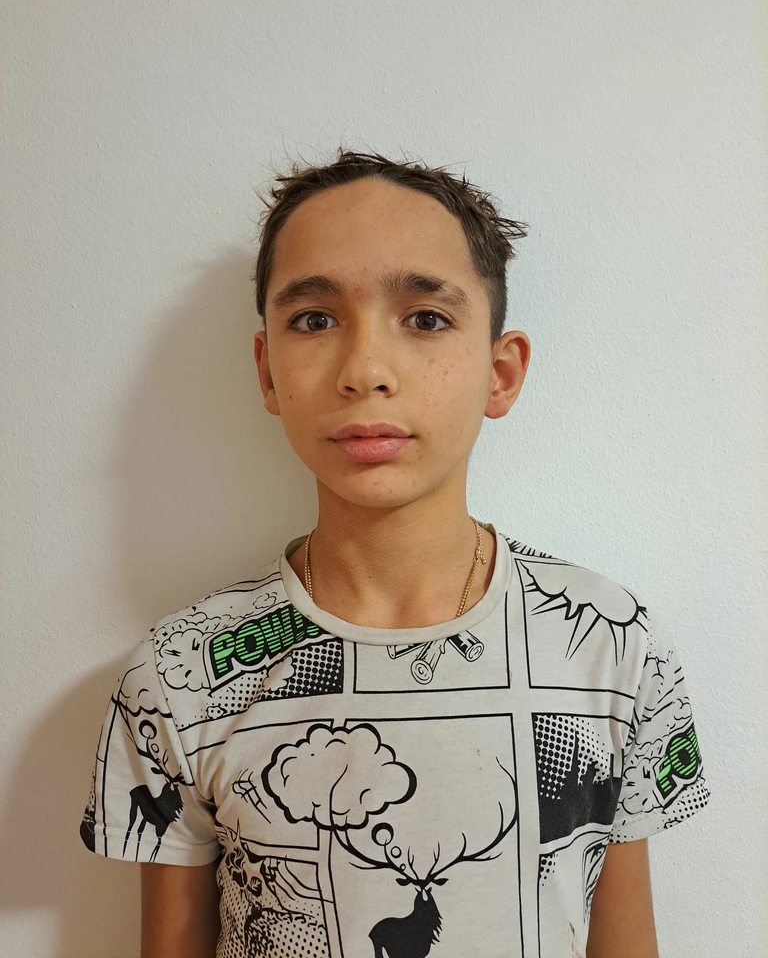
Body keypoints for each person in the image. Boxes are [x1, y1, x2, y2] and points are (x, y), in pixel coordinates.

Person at [78, 148, 711, 958]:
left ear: (501, 372)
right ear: (267, 371)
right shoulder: (181, 674)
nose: (366, 370)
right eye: (315, 320)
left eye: (426, 319)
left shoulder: (610, 645)